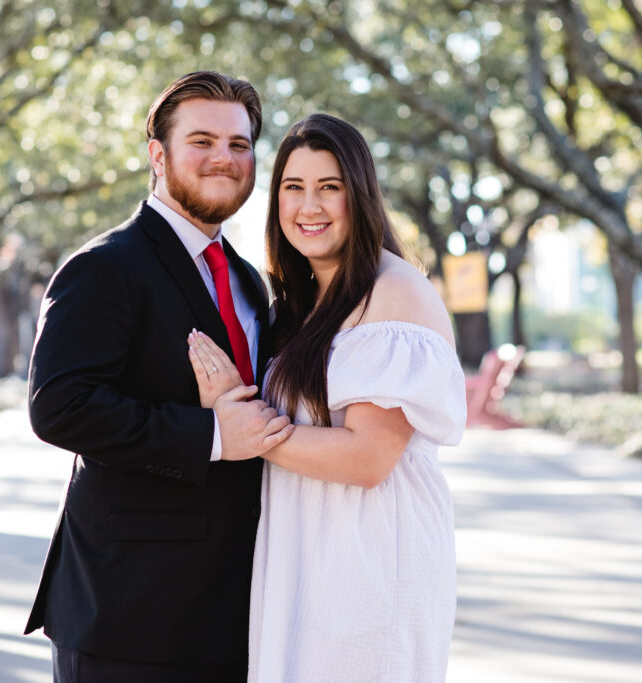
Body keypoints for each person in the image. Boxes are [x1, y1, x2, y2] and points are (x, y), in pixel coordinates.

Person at [25, 71, 293, 683]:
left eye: (240, 144)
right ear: (158, 155)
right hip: (130, 613)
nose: (224, 159)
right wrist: (213, 435)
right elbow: (60, 405)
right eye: (202, 141)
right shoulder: (103, 267)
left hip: (233, 611)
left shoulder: (250, 280)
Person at [187, 113, 467, 682]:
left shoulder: (394, 295)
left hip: (367, 562)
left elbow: (368, 459)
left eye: (329, 188)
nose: (308, 207)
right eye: (293, 188)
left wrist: (241, 419)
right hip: (309, 557)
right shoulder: (310, 298)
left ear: (359, 196)